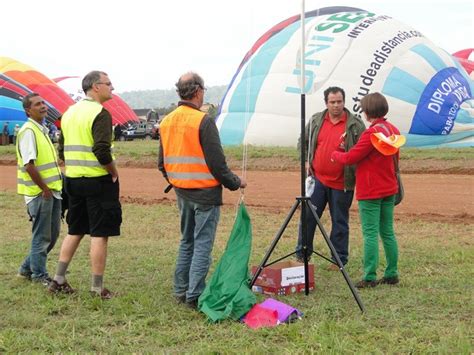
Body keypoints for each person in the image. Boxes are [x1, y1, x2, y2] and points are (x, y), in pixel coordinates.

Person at [158, 72, 246, 309]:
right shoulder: (203, 121)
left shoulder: (166, 121)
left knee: (187, 241)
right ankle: (194, 294)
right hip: (205, 194)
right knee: (202, 244)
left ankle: (180, 289)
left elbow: (161, 163)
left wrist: (177, 180)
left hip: (182, 193)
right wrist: (236, 182)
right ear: (198, 91)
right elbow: (218, 164)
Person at [48, 71, 121, 299]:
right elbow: (101, 149)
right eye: (109, 83)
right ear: (95, 87)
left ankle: (58, 279)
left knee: (75, 229)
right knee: (100, 233)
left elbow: (62, 149)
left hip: (73, 180)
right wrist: (113, 171)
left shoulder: (69, 112)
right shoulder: (100, 113)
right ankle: (98, 288)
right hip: (97, 181)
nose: (113, 87)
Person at [331, 92, 401, 288]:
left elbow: (351, 157)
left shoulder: (371, 133)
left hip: (371, 190)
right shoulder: (392, 129)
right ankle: (391, 273)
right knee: (387, 231)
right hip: (389, 187)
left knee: (370, 233)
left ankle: (369, 276)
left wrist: (336, 154)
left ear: (368, 111)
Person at [295, 87, 365, 269]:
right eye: (332, 102)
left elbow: (364, 151)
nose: (336, 105)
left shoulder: (355, 125)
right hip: (317, 180)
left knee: (339, 221)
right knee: (308, 217)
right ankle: (302, 255)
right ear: (326, 102)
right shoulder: (316, 120)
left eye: (339, 101)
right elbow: (302, 142)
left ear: (344, 101)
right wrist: (306, 161)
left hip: (342, 183)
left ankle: (338, 259)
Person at [16, 93, 62, 285]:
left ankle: (26, 269)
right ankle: (39, 276)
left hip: (51, 191)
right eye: (37, 104)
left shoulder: (41, 130)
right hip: (40, 193)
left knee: (51, 236)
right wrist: (43, 188)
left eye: (43, 102)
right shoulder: (28, 131)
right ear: (28, 110)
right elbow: (29, 165)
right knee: (42, 237)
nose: (43, 106)